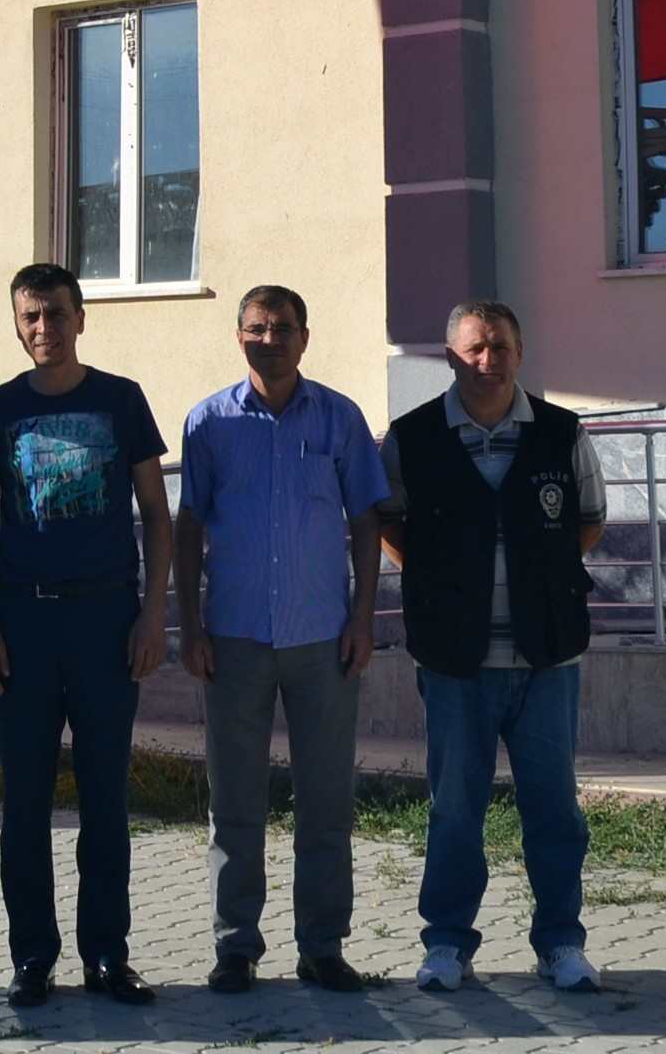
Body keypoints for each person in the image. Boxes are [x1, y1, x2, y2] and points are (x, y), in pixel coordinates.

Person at [381, 299, 608, 995]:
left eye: (501, 347)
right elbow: (392, 528)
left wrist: (535, 579)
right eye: (475, 349)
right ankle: (447, 944)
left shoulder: (561, 432)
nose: (489, 361)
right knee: (455, 810)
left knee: (554, 809)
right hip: (455, 661)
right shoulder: (410, 438)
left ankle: (561, 943)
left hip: (547, 658)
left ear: (520, 352)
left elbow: (589, 523)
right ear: (450, 356)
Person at [0, 265, 167, 1008]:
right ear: (17, 325)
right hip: (23, 621)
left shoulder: (120, 400)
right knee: (25, 801)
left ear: (81, 318)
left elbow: (156, 513)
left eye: (54, 314)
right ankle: (33, 958)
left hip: (106, 619)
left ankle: (107, 955)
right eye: (29, 317)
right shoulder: (0, 408)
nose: (42, 328)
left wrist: (152, 614)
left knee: (106, 797)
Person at [175, 284, 386, 995]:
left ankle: (322, 946)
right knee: (234, 801)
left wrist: (363, 618)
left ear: (306, 336)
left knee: (326, 800)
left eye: (284, 328)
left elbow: (366, 522)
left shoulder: (339, 419)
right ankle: (235, 945)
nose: (272, 340)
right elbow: (188, 528)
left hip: (323, 640)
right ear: (240, 338)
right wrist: (189, 624)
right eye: (258, 329)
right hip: (233, 638)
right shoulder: (208, 424)